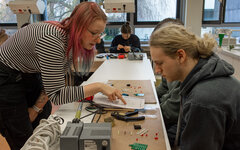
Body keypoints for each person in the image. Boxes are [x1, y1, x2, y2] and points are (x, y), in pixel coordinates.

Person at [0, 2, 126, 150]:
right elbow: (58, 95)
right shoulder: (52, 39)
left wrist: (35, 108)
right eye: (93, 33)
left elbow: (53, 87)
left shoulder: (69, 41)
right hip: (5, 77)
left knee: (45, 127)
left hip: (29, 73)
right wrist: (98, 87)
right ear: (77, 27)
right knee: (25, 140)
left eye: (100, 34)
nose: (98, 40)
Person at [150, 24, 240, 150]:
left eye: (160, 63)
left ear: (180, 56)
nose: (157, 70)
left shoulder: (203, 100)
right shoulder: (200, 77)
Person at [153, 18, 184, 146]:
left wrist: (148, 114)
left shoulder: (185, 74)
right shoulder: (172, 66)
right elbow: (164, 88)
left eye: (160, 63)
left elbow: (171, 111)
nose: (156, 70)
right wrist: (149, 96)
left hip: (178, 125)